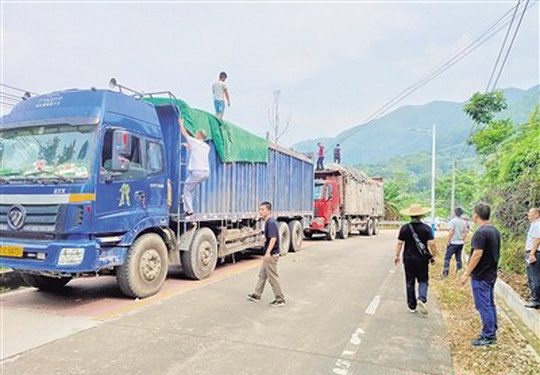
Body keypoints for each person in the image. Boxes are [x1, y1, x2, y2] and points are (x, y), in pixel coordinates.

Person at [460, 202, 501, 347]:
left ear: (476, 215)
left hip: (481, 275)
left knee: (483, 305)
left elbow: (477, 254)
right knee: (489, 303)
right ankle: (492, 329)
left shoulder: (480, 233)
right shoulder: (494, 230)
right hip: (490, 273)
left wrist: (466, 273)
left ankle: (488, 336)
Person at [394, 204, 437, 315]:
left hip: (408, 259)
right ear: (421, 215)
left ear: (410, 216)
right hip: (422, 259)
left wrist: (397, 255)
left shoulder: (404, 228)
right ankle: (421, 298)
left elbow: (400, 243)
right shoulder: (426, 228)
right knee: (423, 280)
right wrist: (434, 255)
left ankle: (412, 306)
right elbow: (432, 243)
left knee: (410, 281)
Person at [247, 202, 286, 307]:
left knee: (272, 277)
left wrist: (268, 252)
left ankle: (280, 299)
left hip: (272, 255)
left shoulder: (271, 222)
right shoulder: (268, 222)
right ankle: (256, 295)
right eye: (260, 209)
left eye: (263, 209)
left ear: (269, 211)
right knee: (262, 275)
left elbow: (273, 238)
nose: (260, 211)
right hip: (268, 254)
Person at [178, 116, 210, 217]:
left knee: (186, 189)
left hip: (197, 171)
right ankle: (188, 207)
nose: (195, 135)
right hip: (205, 173)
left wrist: (181, 124)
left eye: (196, 133)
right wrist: (188, 147)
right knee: (190, 189)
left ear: (199, 135)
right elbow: (196, 150)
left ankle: (189, 211)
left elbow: (185, 134)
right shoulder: (206, 146)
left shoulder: (195, 142)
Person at [442, 207, 469, 278]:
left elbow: (451, 232)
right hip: (460, 243)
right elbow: (466, 232)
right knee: (458, 257)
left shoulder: (452, 221)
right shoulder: (464, 222)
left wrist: (448, 241)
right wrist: (462, 238)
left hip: (453, 242)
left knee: (447, 258)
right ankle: (459, 272)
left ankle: (445, 274)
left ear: (455, 213)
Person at [525, 207, 540, 309]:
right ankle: (535, 298)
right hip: (534, 252)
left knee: (534, 276)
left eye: (530, 213)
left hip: (535, 252)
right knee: (533, 276)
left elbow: (537, 239)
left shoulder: (537, 225)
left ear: (537, 214)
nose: (528, 216)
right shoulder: (534, 225)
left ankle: (535, 299)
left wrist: (532, 253)